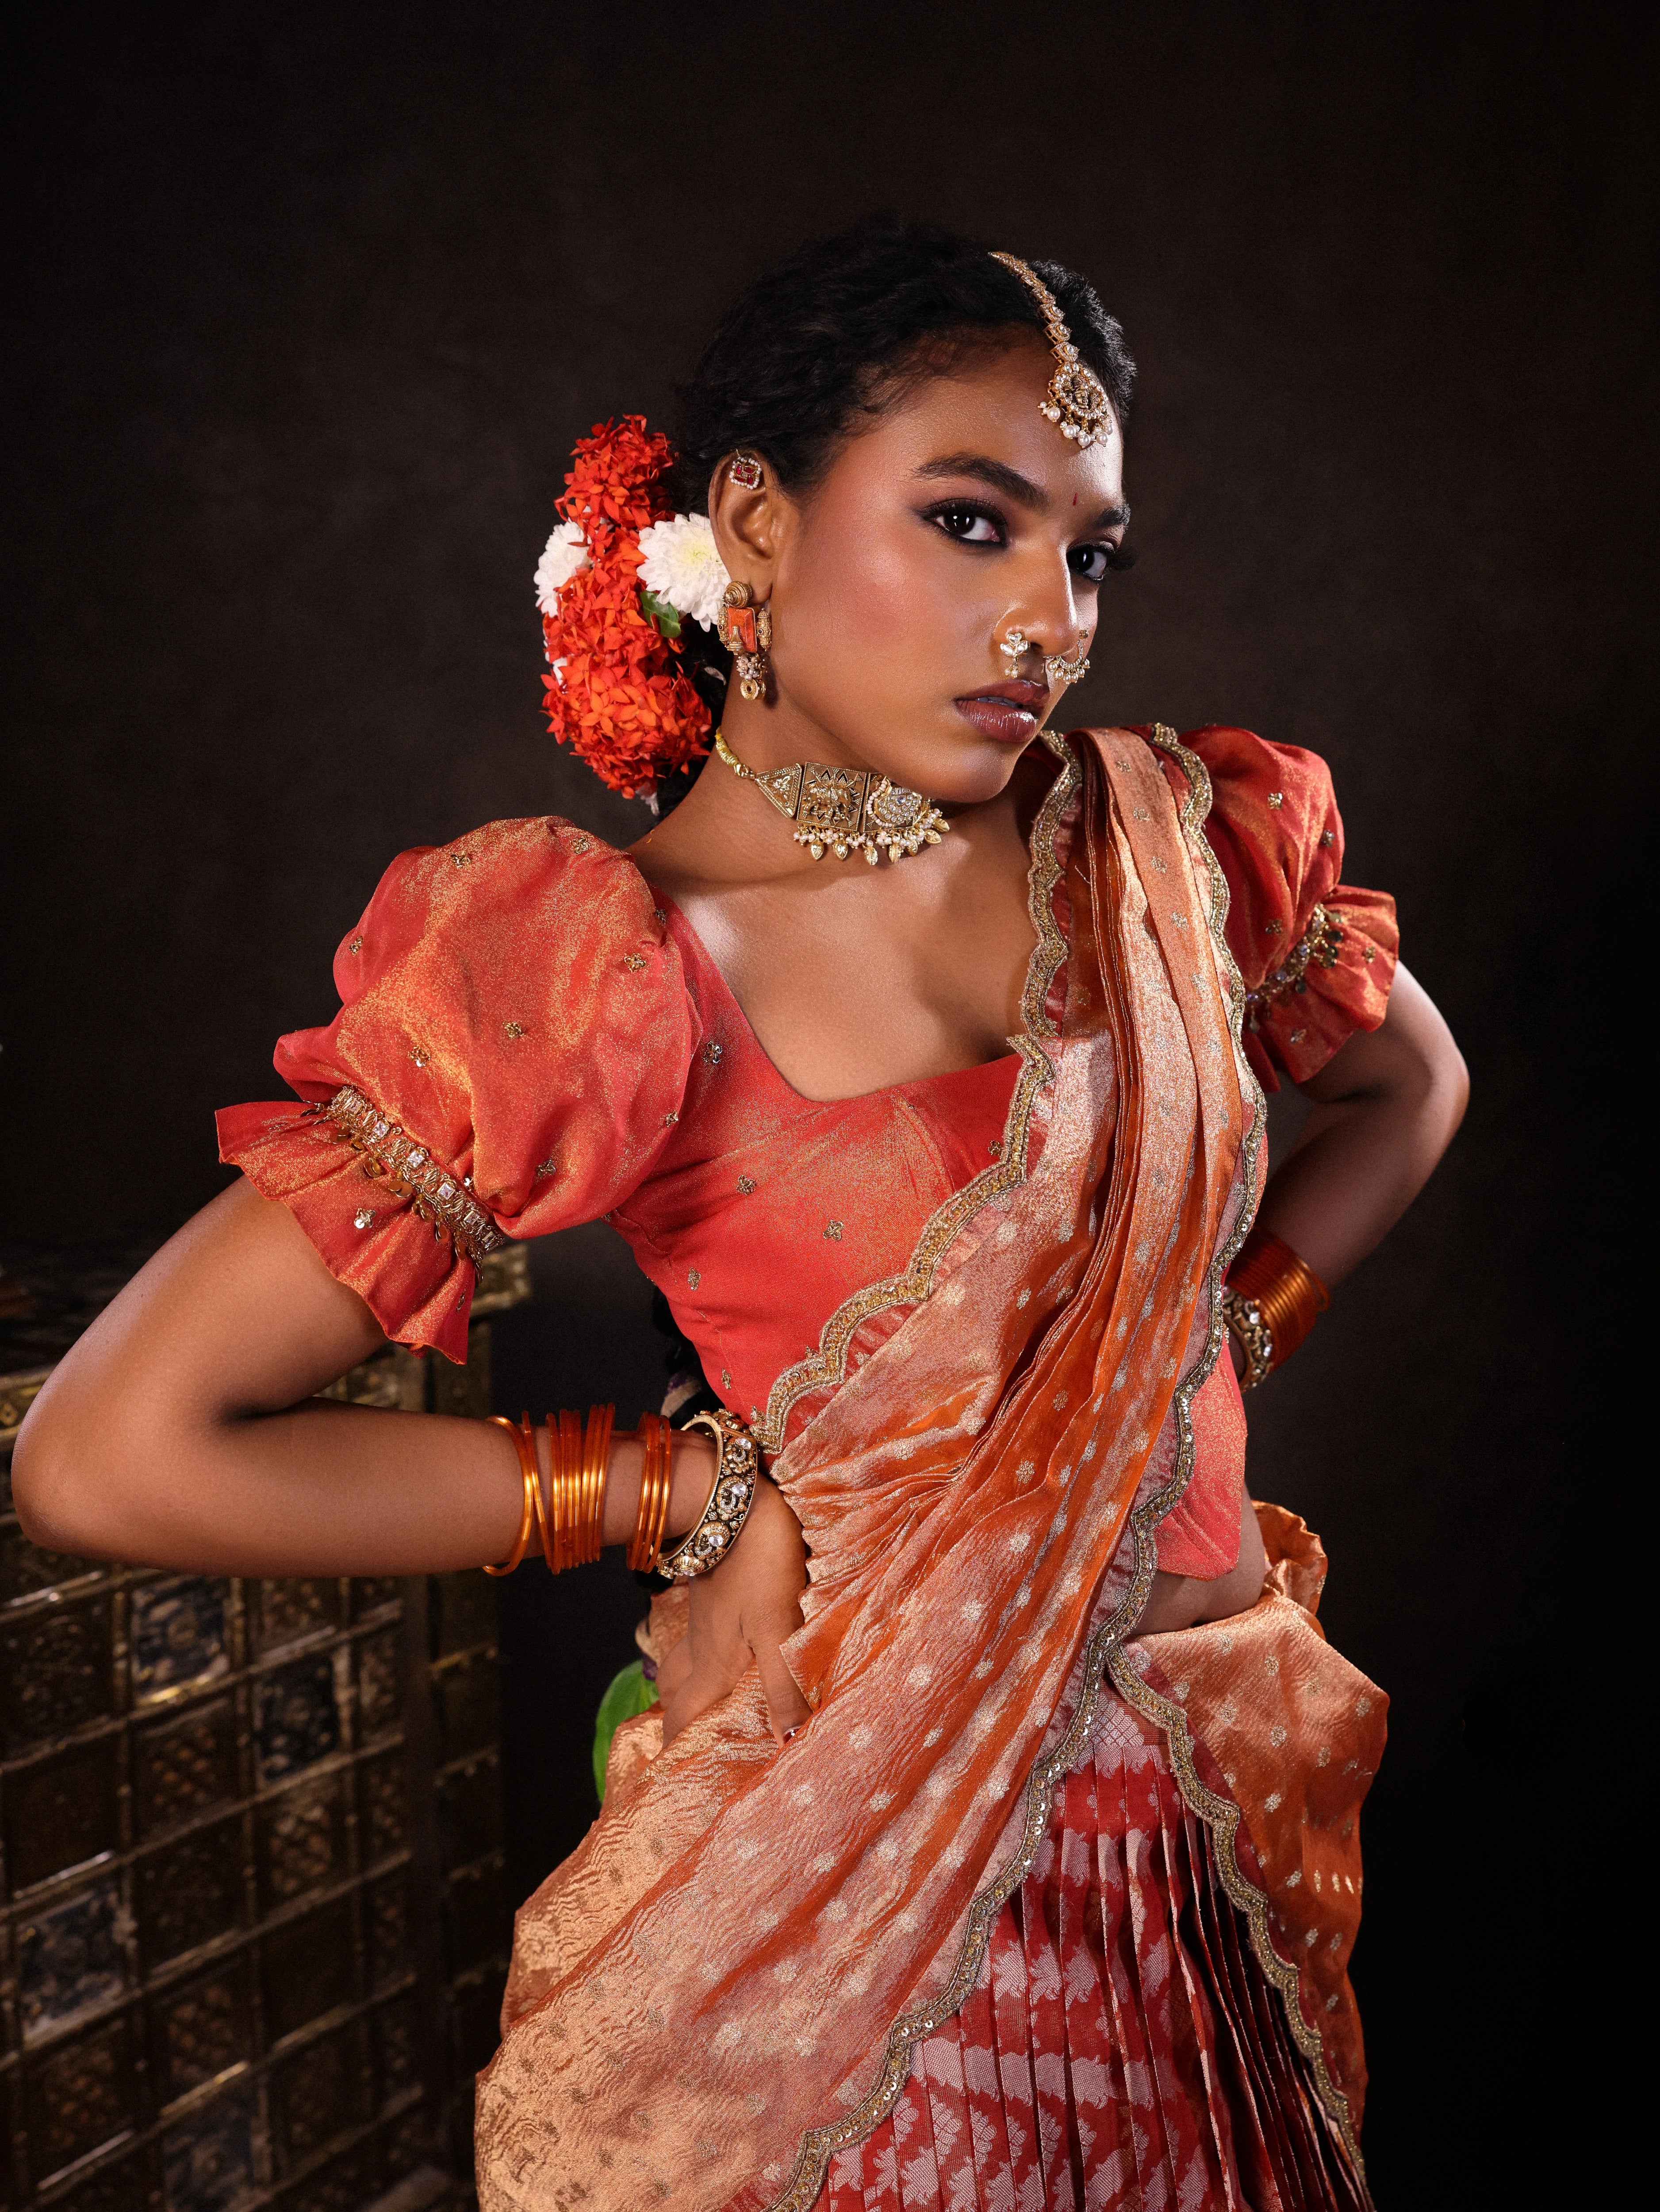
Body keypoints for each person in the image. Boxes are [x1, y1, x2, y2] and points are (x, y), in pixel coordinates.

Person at [14, 219, 1467, 2212]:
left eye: (1091, 551)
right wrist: (660, 1496)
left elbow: (1411, 1085)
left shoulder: (1163, 841)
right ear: (759, 527)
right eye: (974, 521)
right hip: (859, 1873)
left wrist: (1225, 1323)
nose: (1052, 617)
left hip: (1201, 1832)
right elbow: (108, 1447)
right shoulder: (624, 966)